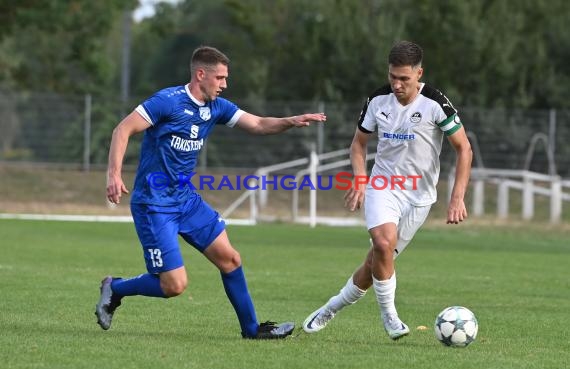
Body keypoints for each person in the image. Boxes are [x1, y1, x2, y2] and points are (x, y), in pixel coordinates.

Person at [95, 46, 326, 339]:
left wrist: (289, 121)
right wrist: (113, 174)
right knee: (174, 286)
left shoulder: (217, 107)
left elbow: (256, 123)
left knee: (230, 259)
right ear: (200, 74)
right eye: (220, 78)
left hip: (186, 200)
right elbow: (122, 129)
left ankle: (252, 330)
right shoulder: (167, 102)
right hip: (154, 205)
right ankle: (115, 288)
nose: (224, 84)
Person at [302, 41, 472, 340]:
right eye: (393, 76)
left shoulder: (436, 103)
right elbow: (358, 144)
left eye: (404, 78)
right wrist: (360, 179)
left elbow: (464, 148)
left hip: (419, 196)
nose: (396, 84)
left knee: (375, 262)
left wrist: (457, 196)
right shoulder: (378, 100)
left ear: (419, 73)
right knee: (382, 243)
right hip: (383, 185)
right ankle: (390, 316)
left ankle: (332, 306)